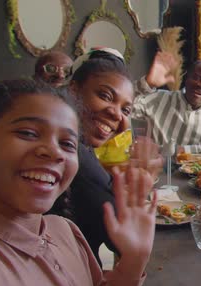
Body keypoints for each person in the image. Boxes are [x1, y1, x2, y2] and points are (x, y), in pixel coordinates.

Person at [0, 79, 157, 286]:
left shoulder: (64, 231)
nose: (55, 152)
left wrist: (133, 261)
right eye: (28, 133)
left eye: (67, 144)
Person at [48, 48, 162, 265]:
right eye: (105, 96)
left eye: (126, 110)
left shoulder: (81, 147)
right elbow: (121, 237)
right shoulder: (71, 154)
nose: (117, 114)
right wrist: (138, 186)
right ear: (73, 91)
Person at [132, 55, 201, 155]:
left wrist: (185, 150)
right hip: (157, 171)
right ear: (186, 78)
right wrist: (147, 84)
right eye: (196, 78)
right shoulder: (158, 99)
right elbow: (122, 106)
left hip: (200, 174)